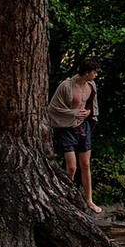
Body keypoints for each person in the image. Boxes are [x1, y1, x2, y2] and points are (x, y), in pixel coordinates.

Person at [47, 58, 102, 213]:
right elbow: (53, 108)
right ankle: (67, 197)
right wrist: (73, 113)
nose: (96, 75)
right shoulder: (66, 86)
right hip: (67, 127)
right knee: (71, 167)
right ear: (87, 72)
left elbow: (92, 105)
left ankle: (89, 200)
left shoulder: (91, 85)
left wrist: (89, 113)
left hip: (83, 127)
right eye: (94, 72)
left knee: (85, 164)